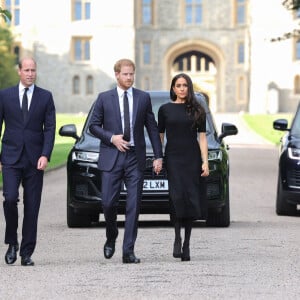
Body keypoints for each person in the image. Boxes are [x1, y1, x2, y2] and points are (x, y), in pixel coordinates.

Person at [89, 58, 162, 264]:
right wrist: (112, 138)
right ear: (117, 75)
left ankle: (128, 250)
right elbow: (93, 126)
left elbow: (152, 128)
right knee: (108, 203)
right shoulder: (104, 98)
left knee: (133, 205)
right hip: (112, 157)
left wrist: (158, 156)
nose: (129, 78)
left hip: (134, 158)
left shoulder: (143, 98)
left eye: (132, 74)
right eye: (125, 74)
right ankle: (111, 235)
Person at [0, 57, 56, 266]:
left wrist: (45, 154)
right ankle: (12, 242)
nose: (30, 73)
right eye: (27, 70)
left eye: (33, 70)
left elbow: (50, 128)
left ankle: (26, 253)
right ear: (19, 72)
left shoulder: (45, 97)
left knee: (32, 207)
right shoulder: (4, 96)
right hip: (11, 157)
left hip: (35, 160)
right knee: (9, 198)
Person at [158, 73, 209, 261]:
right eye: (178, 85)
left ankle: (187, 243)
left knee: (189, 199)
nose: (181, 88)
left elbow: (202, 137)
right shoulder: (165, 110)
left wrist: (205, 162)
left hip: (191, 158)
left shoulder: (197, 110)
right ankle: (177, 237)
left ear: (189, 88)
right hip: (173, 158)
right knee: (176, 197)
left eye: (185, 85)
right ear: (173, 88)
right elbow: (160, 136)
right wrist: (158, 157)